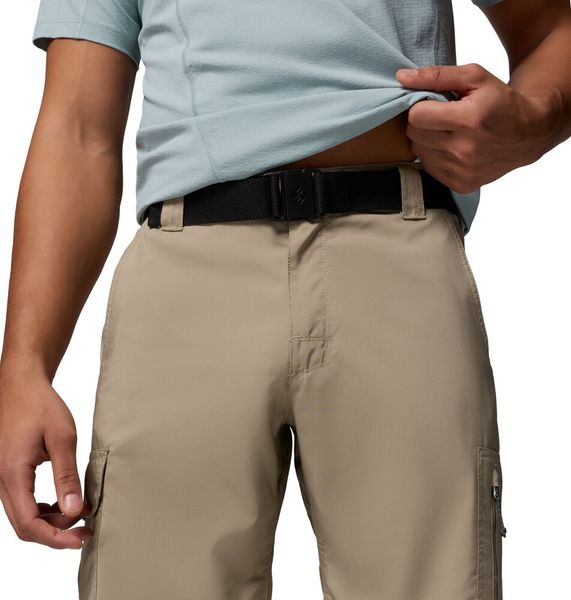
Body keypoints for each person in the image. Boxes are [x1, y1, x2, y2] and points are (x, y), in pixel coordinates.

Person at [0, 0, 569, 598]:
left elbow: (553, 29)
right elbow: (77, 129)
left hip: (394, 256)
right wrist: (23, 369)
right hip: (188, 278)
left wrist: (533, 120)